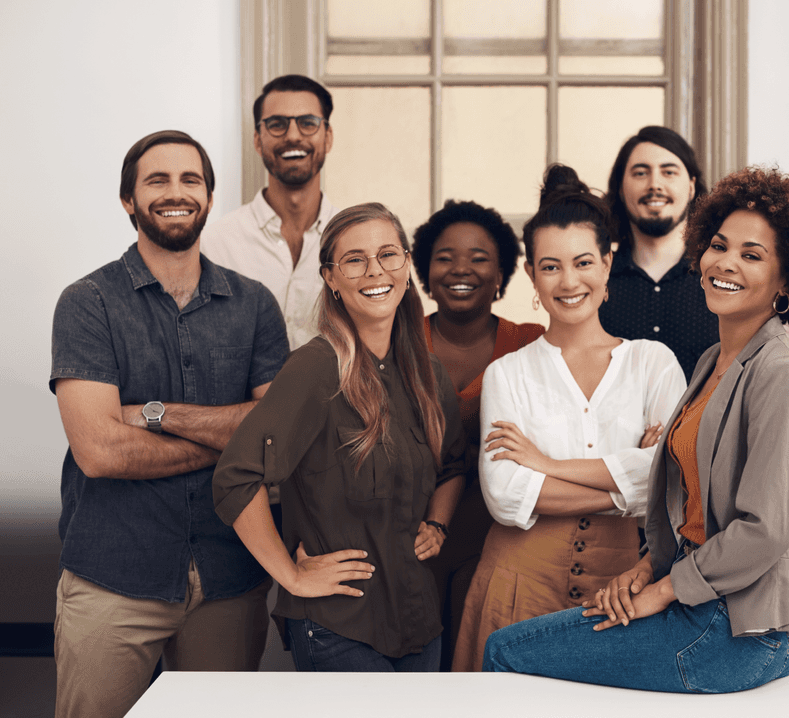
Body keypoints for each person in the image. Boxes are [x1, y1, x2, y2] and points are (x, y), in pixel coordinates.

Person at [482, 167, 789, 694]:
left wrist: (665, 589)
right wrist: (646, 568)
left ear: (787, 279)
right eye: (719, 246)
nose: (726, 263)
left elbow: (764, 530)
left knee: (505, 651)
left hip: (740, 626)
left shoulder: (781, 373)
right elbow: (681, 497)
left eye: (752, 255)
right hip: (703, 600)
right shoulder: (715, 361)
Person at [50, 130, 290, 718]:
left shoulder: (255, 304)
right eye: (156, 180)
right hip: (113, 575)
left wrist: (155, 416)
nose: (175, 192)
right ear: (129, 201)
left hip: (229, 573)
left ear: (208, 198)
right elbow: (101, 453)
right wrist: (231, 443)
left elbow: (276, 434)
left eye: (191, 180)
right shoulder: (88, 303)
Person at [213, 203, 467, 672]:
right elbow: (235, 478)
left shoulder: (427, 373)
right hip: (340, 626)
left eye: (388, 254)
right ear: (330, 277)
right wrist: (289, 575)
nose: (375, 270)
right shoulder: (315, 368)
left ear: (407, 265)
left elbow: (453, 465)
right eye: (354, 259)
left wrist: (438, 524)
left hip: (418, 620)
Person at [452, 165, 686, 672]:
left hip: (621, 595)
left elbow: (677, 484)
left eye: (583, 262)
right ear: (532, 276)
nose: (569, 281)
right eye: (550, 267)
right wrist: (631, 483)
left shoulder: (654, 362)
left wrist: (543, 463)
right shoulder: (506, 374)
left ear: (607, 263)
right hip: (515, 586)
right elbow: (506, 496)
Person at [411, 200, 545, 670]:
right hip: (412, 539)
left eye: (479, 257)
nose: (460, 269)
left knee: (480, 673)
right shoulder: (397, 345)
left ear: (503, 273)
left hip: (503, 542)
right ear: (426, 270)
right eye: (445, 257)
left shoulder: (533, 344)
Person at [203, 74, 338, 350]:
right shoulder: (214, 245)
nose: (292, 135)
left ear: (328, 137)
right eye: (276, 124)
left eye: (308, 123)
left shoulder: (354, 240)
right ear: (257, 139)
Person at [601, 126, 718, 380]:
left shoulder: (722, 277)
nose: (655, 184)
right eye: (641, 173)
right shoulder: (596, 280)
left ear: (691, 187)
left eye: (668, 172)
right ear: (621, 188)